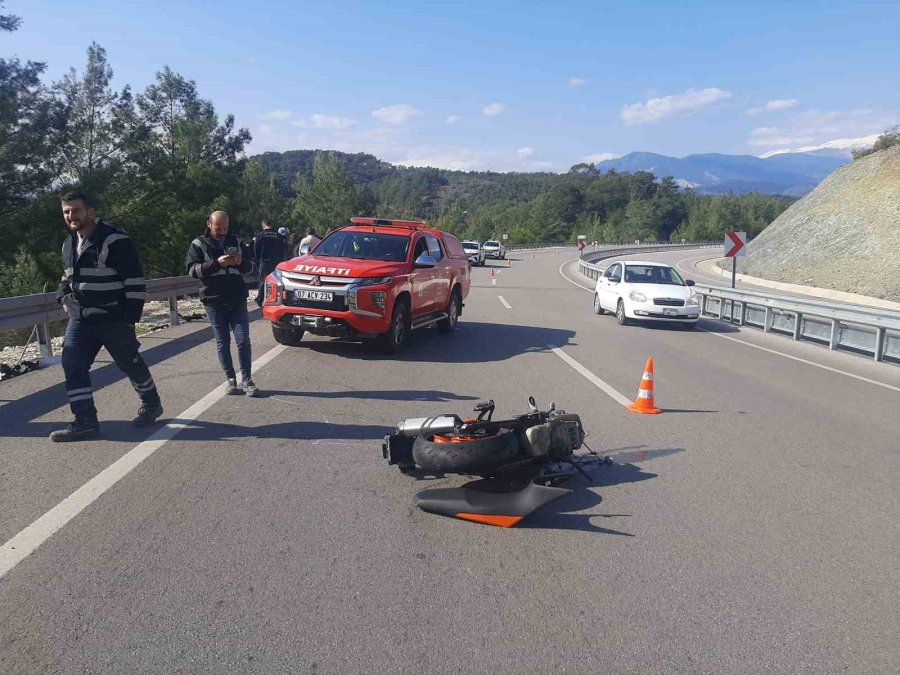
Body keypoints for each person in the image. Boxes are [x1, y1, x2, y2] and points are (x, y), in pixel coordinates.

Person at [51, 192, 163, 442]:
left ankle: (151, 404)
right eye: (66, 211)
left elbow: (134, 282)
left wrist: (130, 320)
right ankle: (85, 422)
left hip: (113, 318)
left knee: (130, 363)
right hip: (81, 319)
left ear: (90, 212)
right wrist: (63, 297)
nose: (70, 215)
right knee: (72, 365)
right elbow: (67, 279)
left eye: (75, 210)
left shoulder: (115, 239)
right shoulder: (69, 243)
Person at [187, 211, 258, 396]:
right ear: (209, 224)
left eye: (225, 228)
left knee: (243, 340)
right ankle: (231, 380)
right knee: (223, 342)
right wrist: (217, 263)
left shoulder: (237, 242)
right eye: (218, 228)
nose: (222, 232)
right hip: (214, 301)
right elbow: (192, 271)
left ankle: (247, 380)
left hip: (237, 299)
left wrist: (241, 262)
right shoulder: (198, 244)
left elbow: (253, 268)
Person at [252, 218, 288, 306]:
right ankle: (275, 299)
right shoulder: (279, 236)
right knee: (276, 281)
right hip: (276, 262)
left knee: (263, 281)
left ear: (263, 225)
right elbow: (283, 250)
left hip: (264, 262)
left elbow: (256, 250)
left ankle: (260, 299)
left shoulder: (260, 236)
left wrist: (258, 260)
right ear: (271, 225)